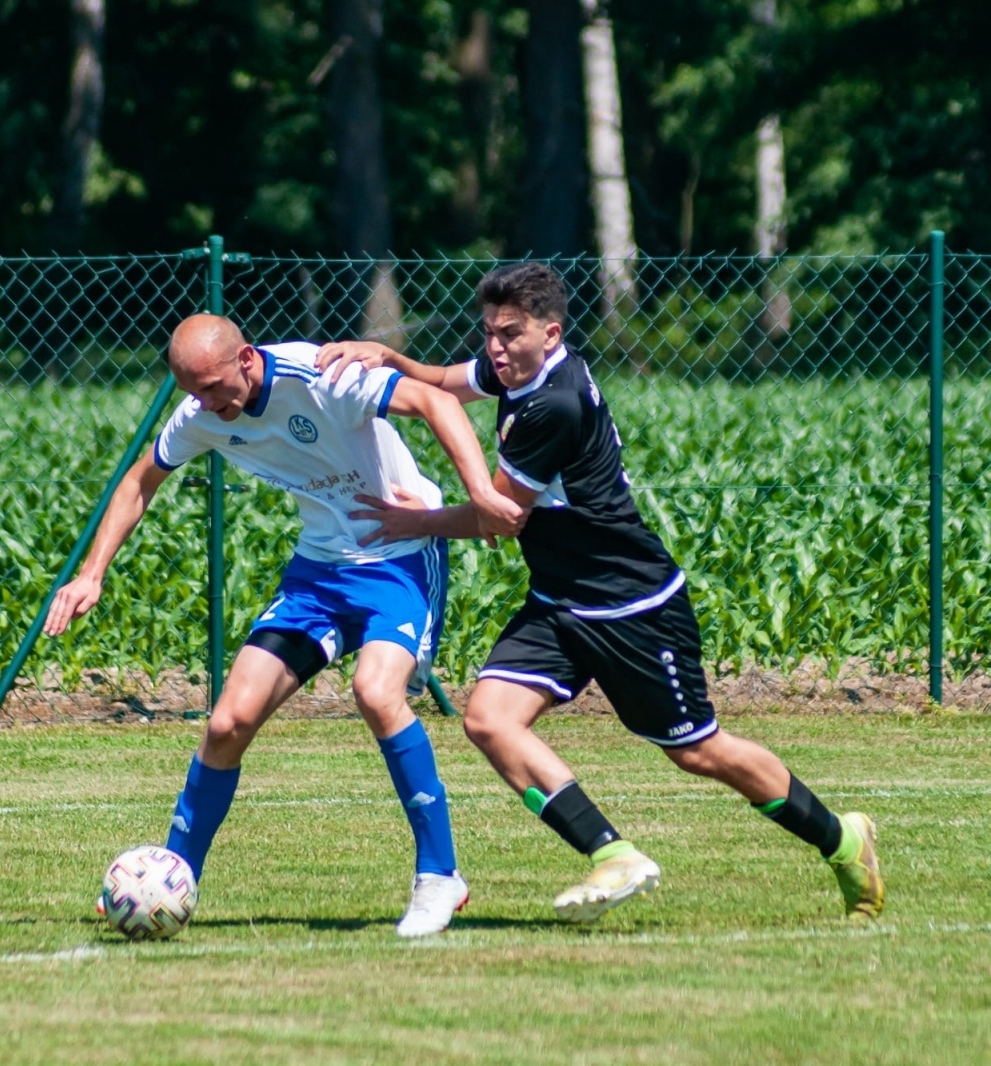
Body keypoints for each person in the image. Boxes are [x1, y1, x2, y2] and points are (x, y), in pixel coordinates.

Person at [316, 262, 884, 923]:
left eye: (510, 335)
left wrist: (415, 521)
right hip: (561, 600)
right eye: (489, 333)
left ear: (550, 334)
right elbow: (446, 381)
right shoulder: (517, 371)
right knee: (489, 720)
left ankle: (841, 839)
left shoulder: (551, 406)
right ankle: (611, 853)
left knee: (698, 750)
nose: (495, 348)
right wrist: (387, 355)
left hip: (630, 604)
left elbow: (499, 515)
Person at [45, 313, 523, 937]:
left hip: (398, 554)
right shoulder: (202, 415)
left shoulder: (321, 377)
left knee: (376, 694)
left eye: (214, 387)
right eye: (193, 392)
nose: (206, 405)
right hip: (318, 573)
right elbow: (141, 480)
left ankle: (439, 876)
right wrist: (92, 573)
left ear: (246, 358)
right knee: (227, 721)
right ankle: (173, 878)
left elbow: (434, 400)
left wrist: (481, 495)